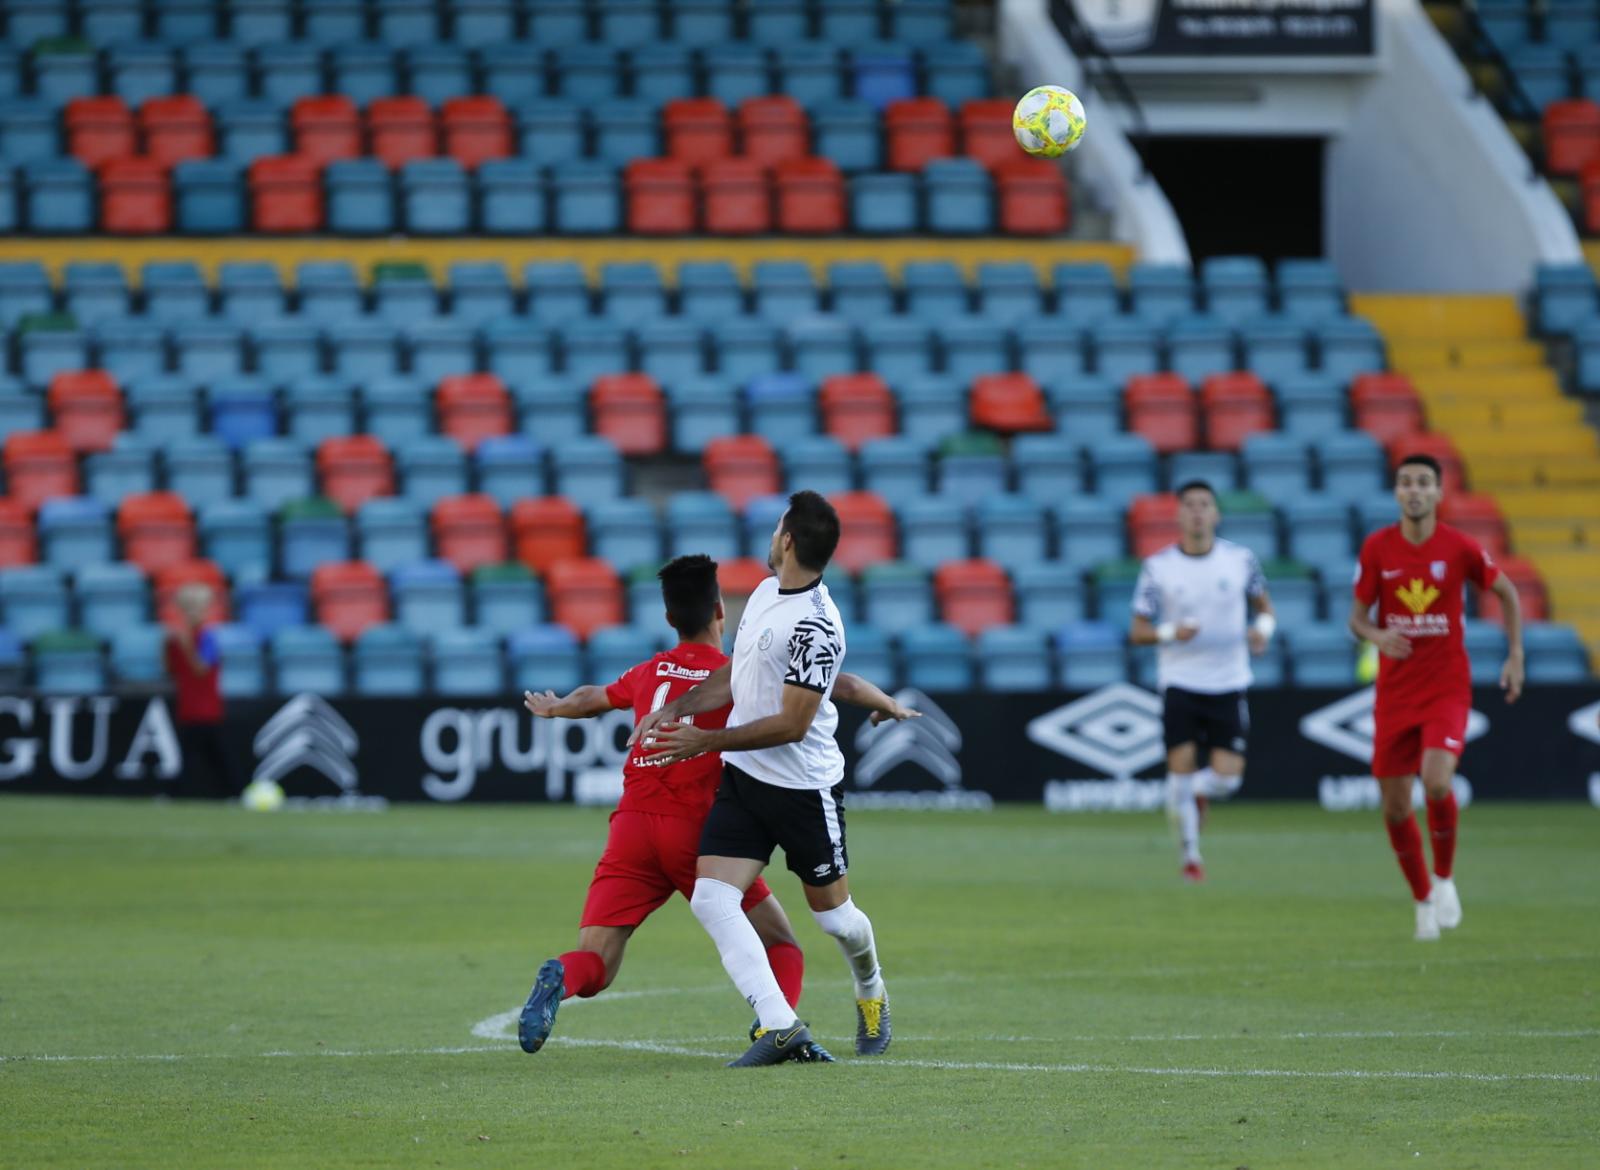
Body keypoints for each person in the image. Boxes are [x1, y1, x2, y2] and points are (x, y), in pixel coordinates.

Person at [515, 553, 917, 1059]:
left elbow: (595, 697)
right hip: (695, 830)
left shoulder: (648, 670)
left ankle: (562, 977)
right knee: (782, 943)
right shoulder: (741, 669)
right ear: (720, 612)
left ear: (668, 620)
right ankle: (778, 1024)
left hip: (631, 830)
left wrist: (555, 707)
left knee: (596, 963)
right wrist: (887, 703)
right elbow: (841, 684)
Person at [634, 491, 891, 1068]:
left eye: (777, 527)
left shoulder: (818, 626)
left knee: (836, 921)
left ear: (789, 541)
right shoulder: (764, 592)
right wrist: (676, 709)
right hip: (746, 779)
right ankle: (780, 1025)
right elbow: (736, 676)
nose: (771, 535)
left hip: (804, 790)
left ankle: (871, 988)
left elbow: (793, 725)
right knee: (712, 898)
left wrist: (706, 740)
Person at [1348, 453, 1523, 941]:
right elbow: (1356, 618)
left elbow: (1506, 592)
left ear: (1439, 493)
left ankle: (1445, 879)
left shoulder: (1460, 547)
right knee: (1396, 807)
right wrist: (1377, 637)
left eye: (1424, 482)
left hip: (1446, 685)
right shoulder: (1378, 548)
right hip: (1395, 693)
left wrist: (1515, 654)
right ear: (1397, 492)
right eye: (1406, 483)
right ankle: (1422, 897)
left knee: (1437, 779)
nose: (1415, 490)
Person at [1129, 481, 1275, 882]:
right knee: (1180, 768)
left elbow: (1264, 608)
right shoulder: (1159, 567)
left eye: (1204, 505)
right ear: (1178, 515)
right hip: (1179, 681)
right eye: (1189, 505)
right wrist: (1168, 632)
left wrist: (1263, 630)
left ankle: (1190, 793)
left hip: (1228, 681)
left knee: (1226, 780)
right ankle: (1191, 859)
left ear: (1216, 514)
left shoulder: (1240, 560)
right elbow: (1138, 629)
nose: (1196, 512)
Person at [164, 583, 237, 799]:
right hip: (188, 708)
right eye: (188, 609)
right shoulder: (178, 639)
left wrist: (185, 645)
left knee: (218, 756)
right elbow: (171, 670)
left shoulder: (208, 638)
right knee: (187, 756)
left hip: (208, 710)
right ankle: (178, 794)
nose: (193, 614)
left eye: (197, 608)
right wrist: (168, 646)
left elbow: (201, 670)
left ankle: (234, 792)